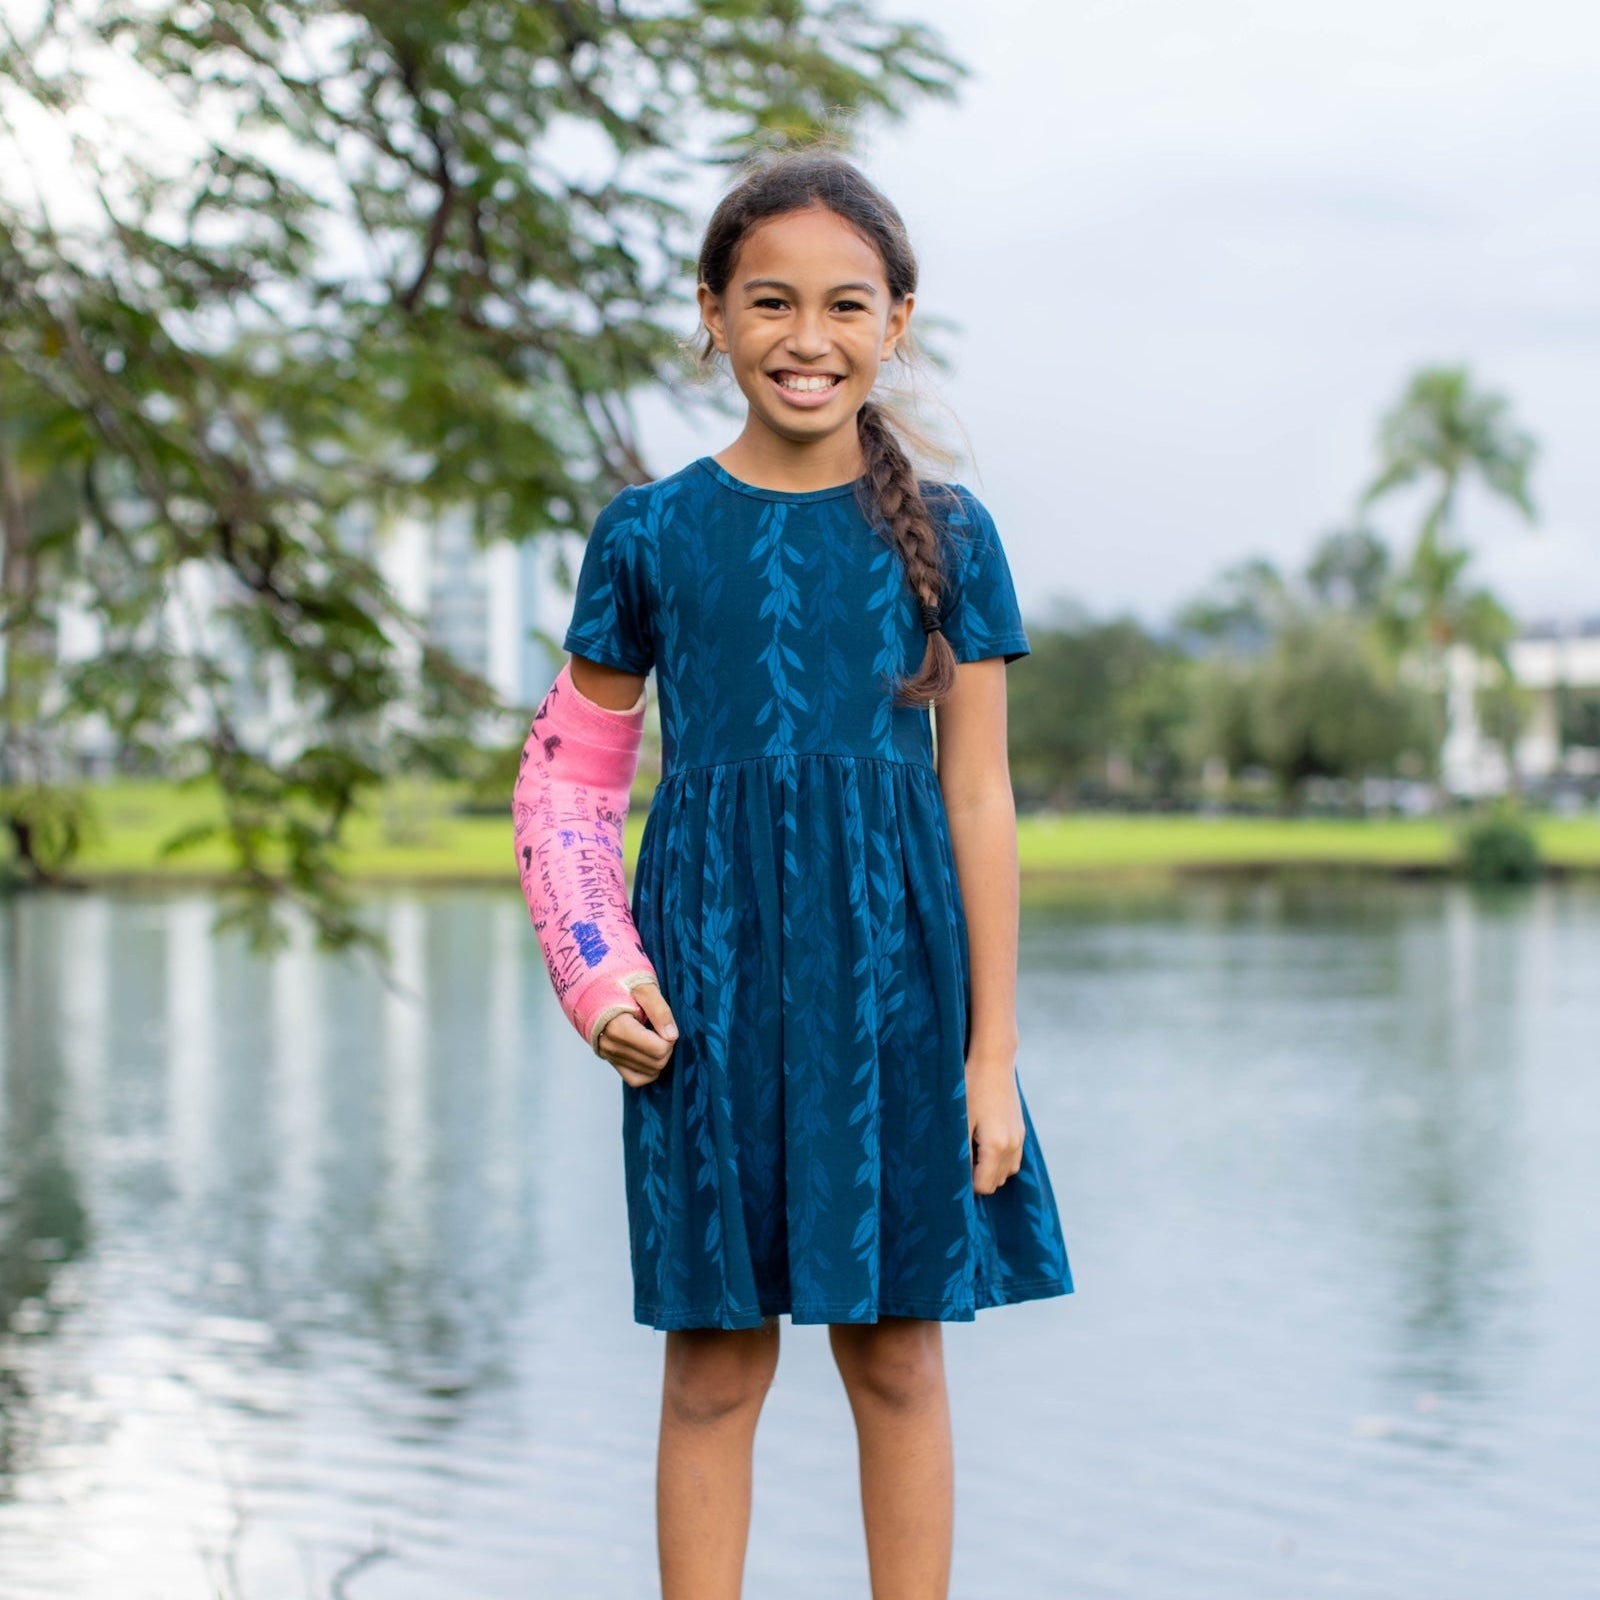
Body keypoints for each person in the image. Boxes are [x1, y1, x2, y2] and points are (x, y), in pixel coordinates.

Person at [516, 146, 1073, 1600]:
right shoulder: (645, 534)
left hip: (897, 992)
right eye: (769, 303)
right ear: (711, 314)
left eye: (844, 305)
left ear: (897, 320)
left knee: (895, 1356)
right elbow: (571, 782)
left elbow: (981, 798)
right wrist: (597, 977)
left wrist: (992, 1056)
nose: (806, 340)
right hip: (704, 985)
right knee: (710, 1365)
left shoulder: (953, 538)